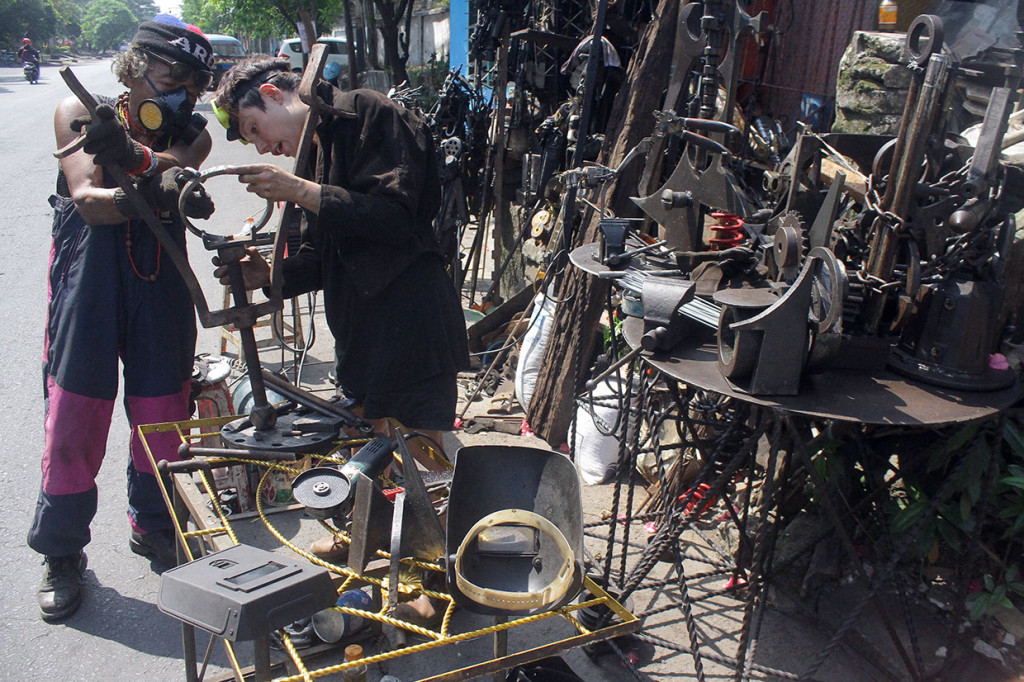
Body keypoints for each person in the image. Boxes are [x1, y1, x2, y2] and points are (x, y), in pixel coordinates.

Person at [210, 56, 470, 577]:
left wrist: (301, 191)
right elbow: (318, 256)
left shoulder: (369, 114)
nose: (263, 147)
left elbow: (395, 218)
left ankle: (441, 571)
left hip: (411, 320)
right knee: (378, 441)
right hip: (363, 328)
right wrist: (269, 276)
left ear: (274, 92)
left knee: (423, 450)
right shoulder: (314, 150)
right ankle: (375, 540)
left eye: (254, 129)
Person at [27, 15, 216, 623]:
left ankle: (155, 522)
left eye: (190, 81)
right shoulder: (77, 113)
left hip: (161, 277)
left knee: (163, 411)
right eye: (170, 74)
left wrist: (136, 161)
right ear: (134, 68)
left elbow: (174, 168)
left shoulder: (195, 135)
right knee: (75, 414)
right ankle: (61, 552)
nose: (180, 91)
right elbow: (89, 204)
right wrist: (150, 177)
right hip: (91, 275)